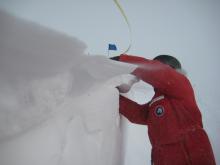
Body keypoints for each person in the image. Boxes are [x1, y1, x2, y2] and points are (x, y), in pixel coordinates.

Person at [111, 54, 216, 165]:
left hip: (190, 154)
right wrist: (113, 96)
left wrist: (122, 61)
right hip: (162, 158)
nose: (153, 67)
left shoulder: (181, 84)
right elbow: (138, 114)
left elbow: (159, 73)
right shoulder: (157, 101)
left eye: (156, 65)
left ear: (171, 69)